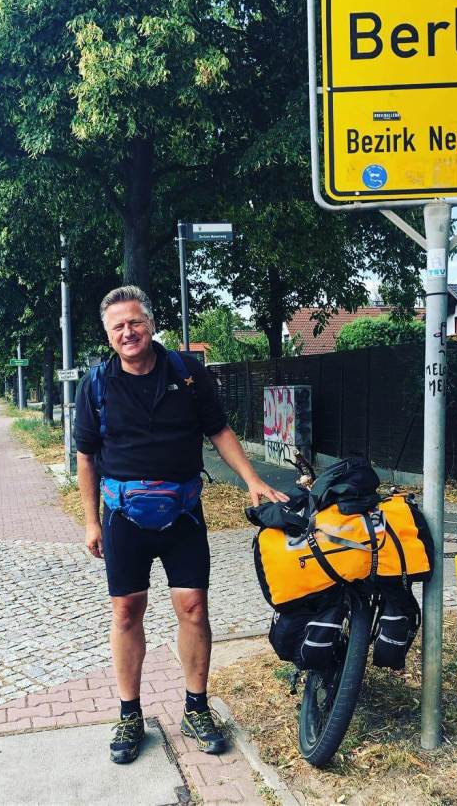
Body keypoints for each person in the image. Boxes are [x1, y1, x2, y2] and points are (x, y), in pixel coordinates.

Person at [74, 285, 287, 765]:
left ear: (151, 324)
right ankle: (130, 714)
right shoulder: (96, 385)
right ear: (108, 335)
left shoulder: (188, 373)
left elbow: (219, 430)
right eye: (118, 326)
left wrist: (252, 479)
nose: (128, 332)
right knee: (126, 612)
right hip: (123, 519)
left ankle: (196, 708)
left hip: (183, 514)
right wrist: (91, 522)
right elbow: (86, 457)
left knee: (193, 608)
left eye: (135, 322)